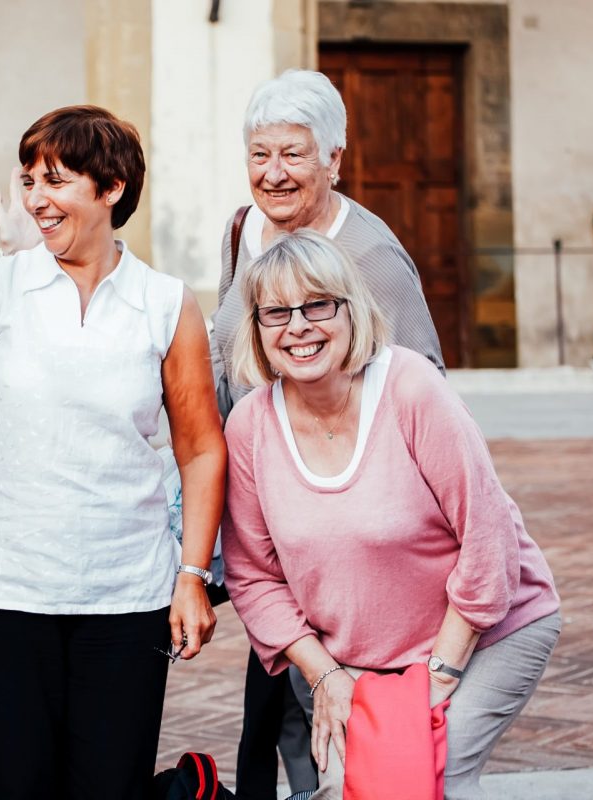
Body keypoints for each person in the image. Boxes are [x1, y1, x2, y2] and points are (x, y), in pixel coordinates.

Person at [0, 105, 227, 800]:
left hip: (126, 596)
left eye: (54, 180)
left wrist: (192, 574)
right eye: (29, 180)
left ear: (111, 187)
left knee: (109, 789)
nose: (34, 199)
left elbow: (202, 449)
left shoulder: (166, 304)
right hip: (5, 591)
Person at [221, 229, 561, 799]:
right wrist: (324, 673)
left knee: (432, 776)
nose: (298, 326)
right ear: (256, 329)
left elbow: (488, 536)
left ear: (351, 309)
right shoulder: (250, 426)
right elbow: (254, 575)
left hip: (482, 635)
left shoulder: (410, 388)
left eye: (317, 305)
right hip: (349, 658)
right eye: (276, 312)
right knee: (351, 787)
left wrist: (439, 677)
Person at [205, 68, 447, 799]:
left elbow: (424, 387)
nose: (272, 175)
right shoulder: (244, 229)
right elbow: (232, 348)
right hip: (266, 508)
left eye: (293, 155)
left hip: (340, 519)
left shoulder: (370, 255)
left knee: (321, 702)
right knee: (279, 700)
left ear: (334, 159)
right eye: (259, 154)